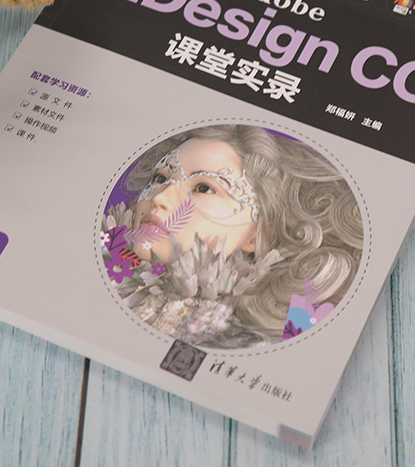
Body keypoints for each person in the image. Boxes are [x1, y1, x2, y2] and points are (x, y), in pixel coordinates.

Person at [100, 125, 364, 349]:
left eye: (204, 188)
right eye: (160, 177)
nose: (159, 197)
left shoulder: (255, 347)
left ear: (259, 235)